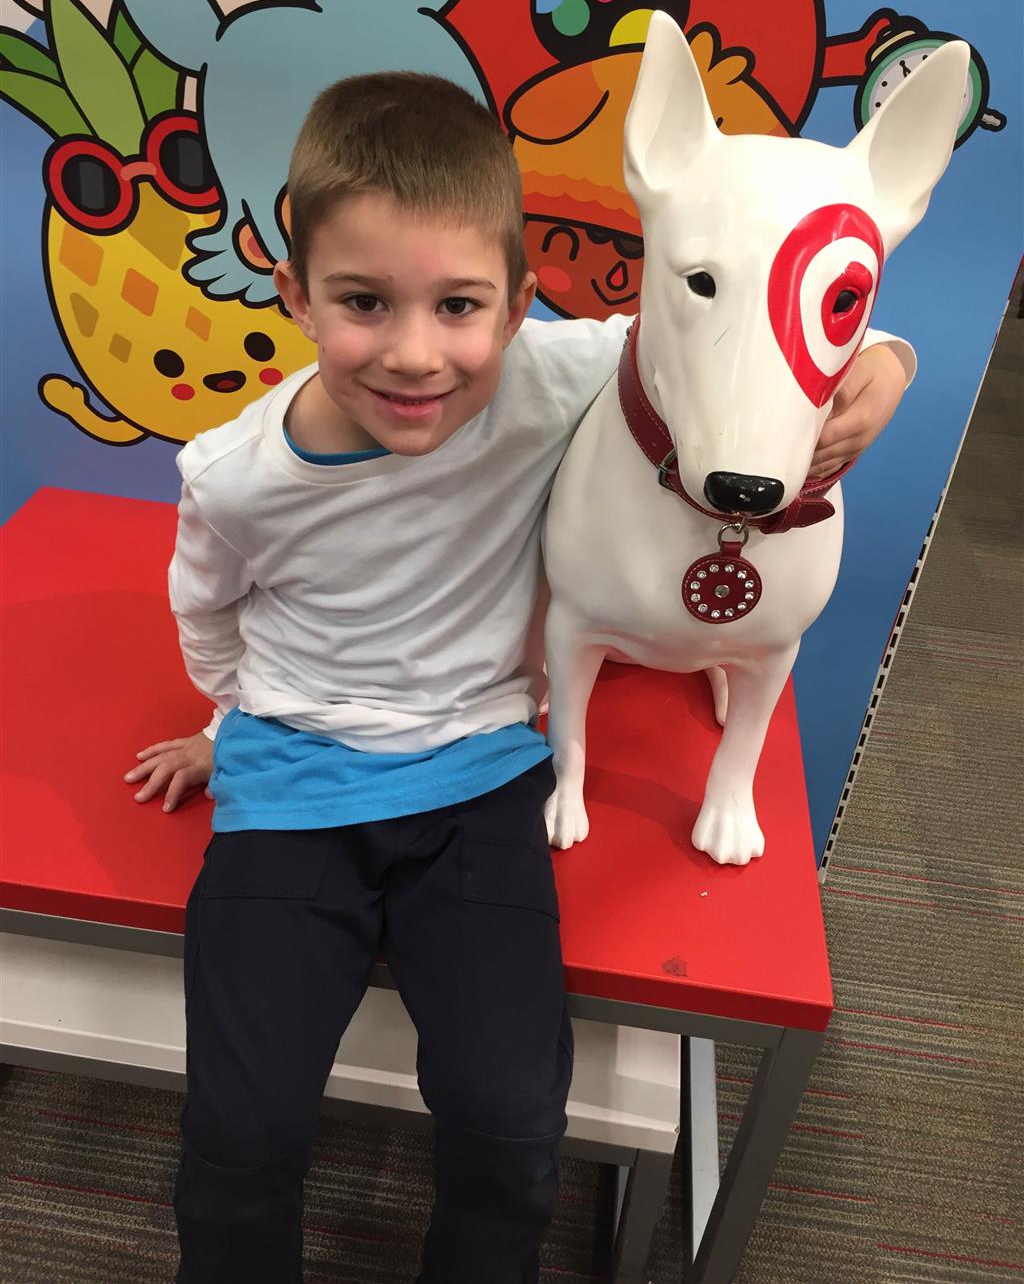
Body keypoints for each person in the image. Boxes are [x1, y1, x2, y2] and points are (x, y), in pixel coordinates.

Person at [123, 70, 913, 1283]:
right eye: (363, 302)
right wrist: (226, 725)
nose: (414, 355)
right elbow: (206, 612)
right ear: (294, 294)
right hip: (291, 788)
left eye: (458, 306)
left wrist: (888, 362)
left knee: (509, 1125)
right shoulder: (233, 477)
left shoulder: (549, 376)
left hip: (481, 782)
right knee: (243, 1130)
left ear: (518, 306)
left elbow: (721, 318)